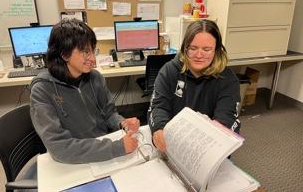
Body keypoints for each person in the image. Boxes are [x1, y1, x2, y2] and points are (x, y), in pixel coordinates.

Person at [30, 18, 140, 164]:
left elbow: (109, 114)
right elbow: (60, 148)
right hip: (74, 161)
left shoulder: (95, 78)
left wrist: (122, 123)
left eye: (93, 51)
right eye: (85, 52)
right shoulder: (42, 90)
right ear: (64, 54)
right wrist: (116, 148)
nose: (93, 59)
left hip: (102, 151)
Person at [148, 19, 240, 152]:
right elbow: (158, 106)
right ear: (185, 48)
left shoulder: (227, 80)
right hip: (173, 144)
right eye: (193, 48)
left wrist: (218, 131)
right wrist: (159, 128)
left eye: (207, 49)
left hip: (207, 148)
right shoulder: (169, 71)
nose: (199, 55)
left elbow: (227, 118)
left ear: (217, 50)